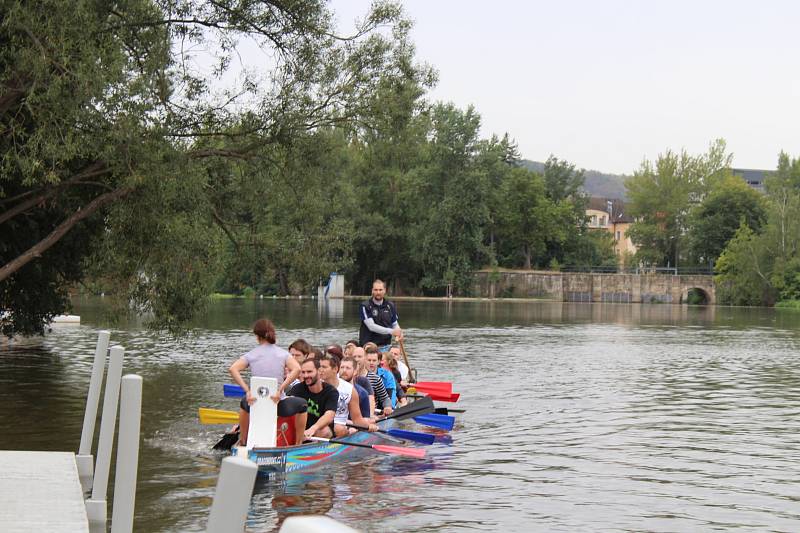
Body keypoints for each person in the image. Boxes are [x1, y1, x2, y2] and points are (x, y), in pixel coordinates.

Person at [228, 319, 304, 446]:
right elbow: (297, 369)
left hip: (255, 403)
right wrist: (281, 389)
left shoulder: (252, 354)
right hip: (277, 403)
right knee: (302, 405)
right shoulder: (283, 354)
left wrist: (247, 391)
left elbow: (233, 369)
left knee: (243, 403)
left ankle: (243, 440)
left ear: (257, 336)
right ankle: (298, 443)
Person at [319, 354, 377, 437]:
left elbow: (359, 419)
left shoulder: (354, 391)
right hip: (322, 424)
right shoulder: (315, 385)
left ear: (335, 369)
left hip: (342, 427)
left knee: (339, 429)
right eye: (342, 367)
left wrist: (368, 426)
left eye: (324, 367)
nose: (320, 370)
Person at [287, 358, 339, 439]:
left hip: (318, 430)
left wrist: (313, 429)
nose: (306, 375)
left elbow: (329, 416)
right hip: (301, 430)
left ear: (319, 371)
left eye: (309, 372)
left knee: (324, 431)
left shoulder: (331, 391)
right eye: (303, 372)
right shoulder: (297, 389)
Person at [359, 279, 403, 349]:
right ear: (372, 291)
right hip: (369, 347)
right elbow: (371, 327)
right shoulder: (365, 306)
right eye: (376, 290)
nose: (378, 292)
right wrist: (392, 331)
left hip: (386, 346)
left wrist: (399, 333)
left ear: (384, 290)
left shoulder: (390, 305)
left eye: (380, 290)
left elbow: (394, 324)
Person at [354, 345, 392, 416]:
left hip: (370, 414)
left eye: (359, 357)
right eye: (354, 357)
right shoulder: (346, 377)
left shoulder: (375, 378)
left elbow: (385, 398)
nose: (356, 359)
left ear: (365, 358)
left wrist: (388, 407)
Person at [339, 356, 374, 424]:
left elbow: (365, 419)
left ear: (355, 371)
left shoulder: (362, 394)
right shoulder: (331, 389)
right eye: (342, 367)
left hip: (353, 428)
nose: (344, 370)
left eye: (348, 368)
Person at [365, 343, 397, 409]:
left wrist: (389, 408)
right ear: (365, 360)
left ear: (379, 361)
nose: (371, 363)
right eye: (369, 360)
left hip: (381, 408)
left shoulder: (387, 375)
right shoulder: (359, 374)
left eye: (374, 360)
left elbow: (390, 396)